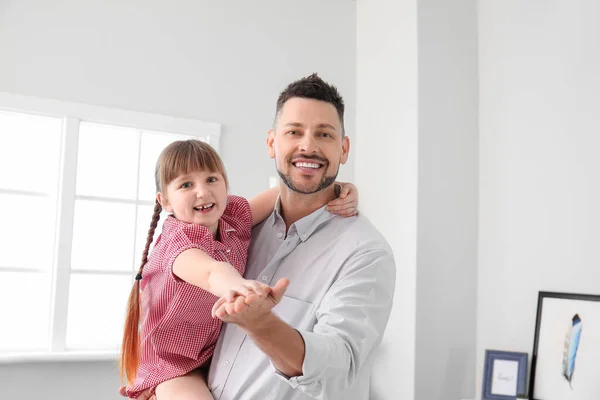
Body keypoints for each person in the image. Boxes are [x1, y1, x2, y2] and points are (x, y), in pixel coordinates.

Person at [119, 139, 358, 399]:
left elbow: (285, 193)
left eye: (211, 179)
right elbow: (211, 272)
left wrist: (338, 189)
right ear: (165, 201)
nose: (202, 192)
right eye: (186, 184)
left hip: (212, 353)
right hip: (172, 365)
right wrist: (240, 287)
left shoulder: (233, 216)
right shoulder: (177, 241)